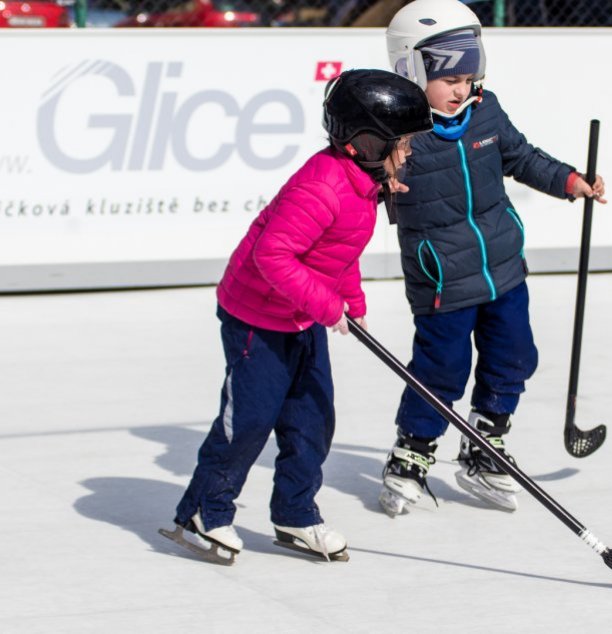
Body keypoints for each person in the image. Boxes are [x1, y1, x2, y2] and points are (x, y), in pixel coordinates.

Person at [160, 69, 433, 564]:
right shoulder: (323, 186)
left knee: (312, 419)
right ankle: (205, 511)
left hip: (301, 315)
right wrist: (329, 306)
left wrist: (352, 301)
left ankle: (295, 512)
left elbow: (338, 252)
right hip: (255, 318)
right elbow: (273, 257)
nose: (409, 152)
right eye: (404, 142)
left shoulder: (365, 185)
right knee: (249, 420)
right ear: (368, 142)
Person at [378, 0, 606, 517]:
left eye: (468, 74)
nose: (460, 88)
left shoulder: (486, 110)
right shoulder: (397, 132)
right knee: (441, 369)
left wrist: (570, 181)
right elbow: (357, 183)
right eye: (447, 78)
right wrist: (379, 182)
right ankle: (412, 452)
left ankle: (486, 442)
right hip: (443, 280)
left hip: (502, 268)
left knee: (515, 357)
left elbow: (521, 157)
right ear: (410, 69)